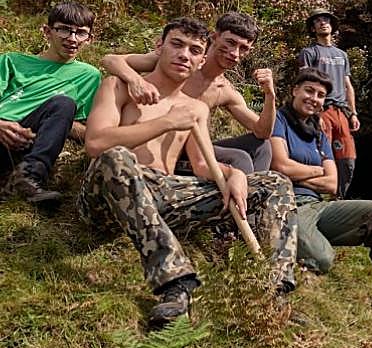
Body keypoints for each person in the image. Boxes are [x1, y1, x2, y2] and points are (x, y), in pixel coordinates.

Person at [78, 17, 297, 328]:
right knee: (117, 157)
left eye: (195, 50)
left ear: (201, 60)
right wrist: (166, 121)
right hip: (111, 197)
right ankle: (175, 284)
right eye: (177, 45)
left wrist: (233, 173)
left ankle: (276, 288)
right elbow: (96, 143)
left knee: (276, 182)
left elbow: (202, 166)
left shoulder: (195, 109)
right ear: (159, 47)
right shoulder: (119, 86)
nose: (185, 55)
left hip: (165, 196)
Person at [270, 67, 372, 311]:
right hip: (289, 204)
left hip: (318, 205)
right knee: (322, 258)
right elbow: (280, 165)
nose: (314, 98)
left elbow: (332, 183)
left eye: (320, 95)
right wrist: (316, 172)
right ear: (295, 90)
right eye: (309, 91)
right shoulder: (278, 120)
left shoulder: (318, 133)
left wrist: (298, 173)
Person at [102, 11, 277, 177]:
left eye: (243, 48)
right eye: (230, 43)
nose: (235, 53)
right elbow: (110, 60)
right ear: (214, 37)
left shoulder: (225, 90)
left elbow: (262, 131)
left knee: (263, 147)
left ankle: (252, 197)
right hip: (159, 143)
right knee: (239, 158)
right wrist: (135, 80)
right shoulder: (180, 63)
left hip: (195, 147)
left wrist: (270, 95)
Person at [1, 1, 101, 205]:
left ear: (90, 39)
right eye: (64, 30)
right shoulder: (12, 61)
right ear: (47, 31)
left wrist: (57, 123)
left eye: (81, 33)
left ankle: (28, 178)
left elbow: (82, 128)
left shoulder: (89, 76)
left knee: (63, 104)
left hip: (28, 141)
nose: (72, 39)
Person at [297, 9, 358, 197]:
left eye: (326, 20)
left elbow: (348, 85)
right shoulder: (309, 53)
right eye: (318, 21)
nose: (323, 23)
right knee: (322, 155)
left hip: (342, 112)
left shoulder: (342, 55)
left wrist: (353, 113)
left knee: (348, 159)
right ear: (313, 28)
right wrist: (314, 114)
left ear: (332, 26)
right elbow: (304, 82)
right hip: (321, 111)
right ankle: (317, 197)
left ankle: (338, 198)